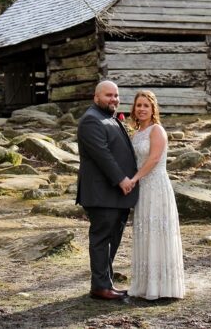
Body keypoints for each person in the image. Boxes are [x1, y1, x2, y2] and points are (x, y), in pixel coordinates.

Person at [76, 80, 138, 300]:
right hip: (101, 193)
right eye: (108, 95)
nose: (114, 99)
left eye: (116, 95)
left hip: (116, 195)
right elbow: (103, 155)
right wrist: (121, 179)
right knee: (102, 240)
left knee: (113, 239)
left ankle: (105, 283)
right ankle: (101, 287)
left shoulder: (109, 118)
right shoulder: (91, 120)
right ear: (96, 97)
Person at [127, 90, 185, 300]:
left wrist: (133, 179)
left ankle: (163, 286)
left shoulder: (156, 130)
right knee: (146, 232)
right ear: (133, 109)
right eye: (138, 105)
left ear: (153, 109)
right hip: (144, 189)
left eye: (146, 106)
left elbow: (153, 159)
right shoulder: (136, 133)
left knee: (159, 231)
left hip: (157, 186)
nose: (141, 109)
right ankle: (145, 284)